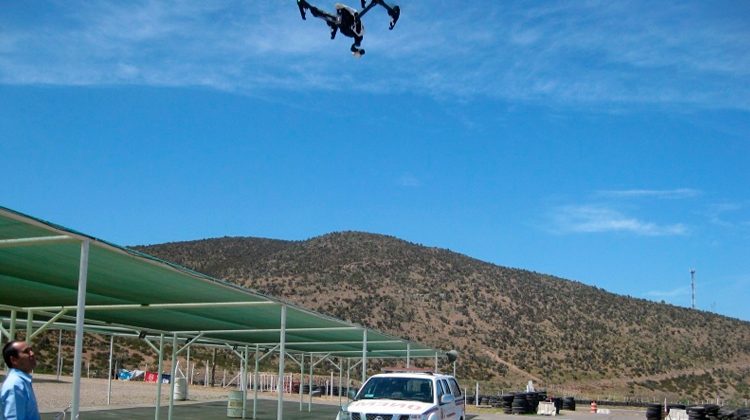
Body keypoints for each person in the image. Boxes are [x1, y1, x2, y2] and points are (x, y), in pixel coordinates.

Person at [296, 0, 400, 57]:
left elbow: (354, 46)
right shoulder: (356, 31)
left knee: (324, 15)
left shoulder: (354, 32)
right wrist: (357, 50)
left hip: (344, 20)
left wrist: (357, 50)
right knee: (325, 16)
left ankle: (305, 4)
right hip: (346, 19)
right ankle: (305, 5)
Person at [1, 341, 40, 420]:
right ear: (13, 360)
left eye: (31, 350)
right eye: (26, 351)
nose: (32, 354)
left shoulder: (21, 382)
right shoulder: (15, 385)